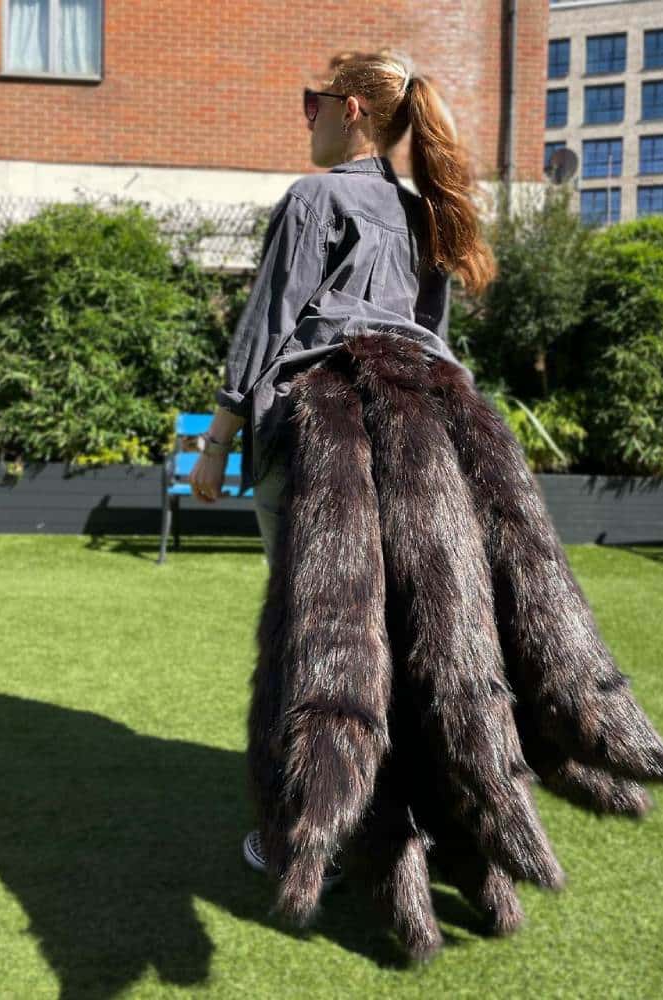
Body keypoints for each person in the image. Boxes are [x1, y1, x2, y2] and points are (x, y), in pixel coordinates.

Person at [187, 49, 497, 885]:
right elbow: (433, 344)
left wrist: (215, 442)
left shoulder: (315, 198)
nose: (308, 117)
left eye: (312, 102)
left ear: (351, 109)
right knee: (399, 635)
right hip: (411, 445)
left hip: (313, 442)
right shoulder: (429, 215)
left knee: (319, 637)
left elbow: (269, 325)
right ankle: (419, 824)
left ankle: (309, 832)